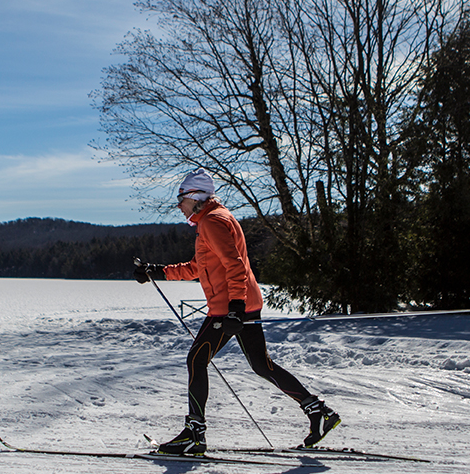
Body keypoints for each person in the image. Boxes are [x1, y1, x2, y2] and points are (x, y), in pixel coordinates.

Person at [135, 168, 340, 455]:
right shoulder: (213, 219)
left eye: (181, 199)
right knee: (260, 364)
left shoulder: (213, 222)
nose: (179, 206)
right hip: (243, 303)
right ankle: (319, 412)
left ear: (195, 197)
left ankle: (195, 434)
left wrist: (234, 310)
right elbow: (199, 267)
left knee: (196, 360)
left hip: (230, 306)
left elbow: (235, 266)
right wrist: (158, 271)